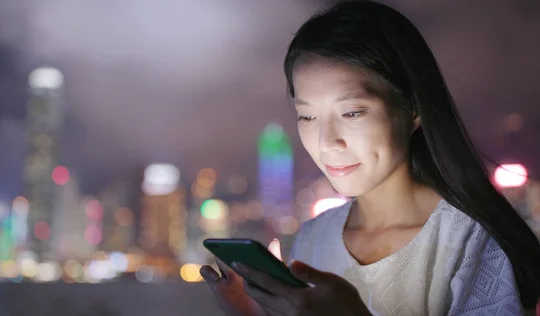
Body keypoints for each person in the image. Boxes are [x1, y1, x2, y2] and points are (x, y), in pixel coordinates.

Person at [200, 0, 540, 315]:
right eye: (307, 116)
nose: (327, 142)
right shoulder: (313, 238)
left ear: (414, 109)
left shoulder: (470, 242)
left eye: (352, 113)